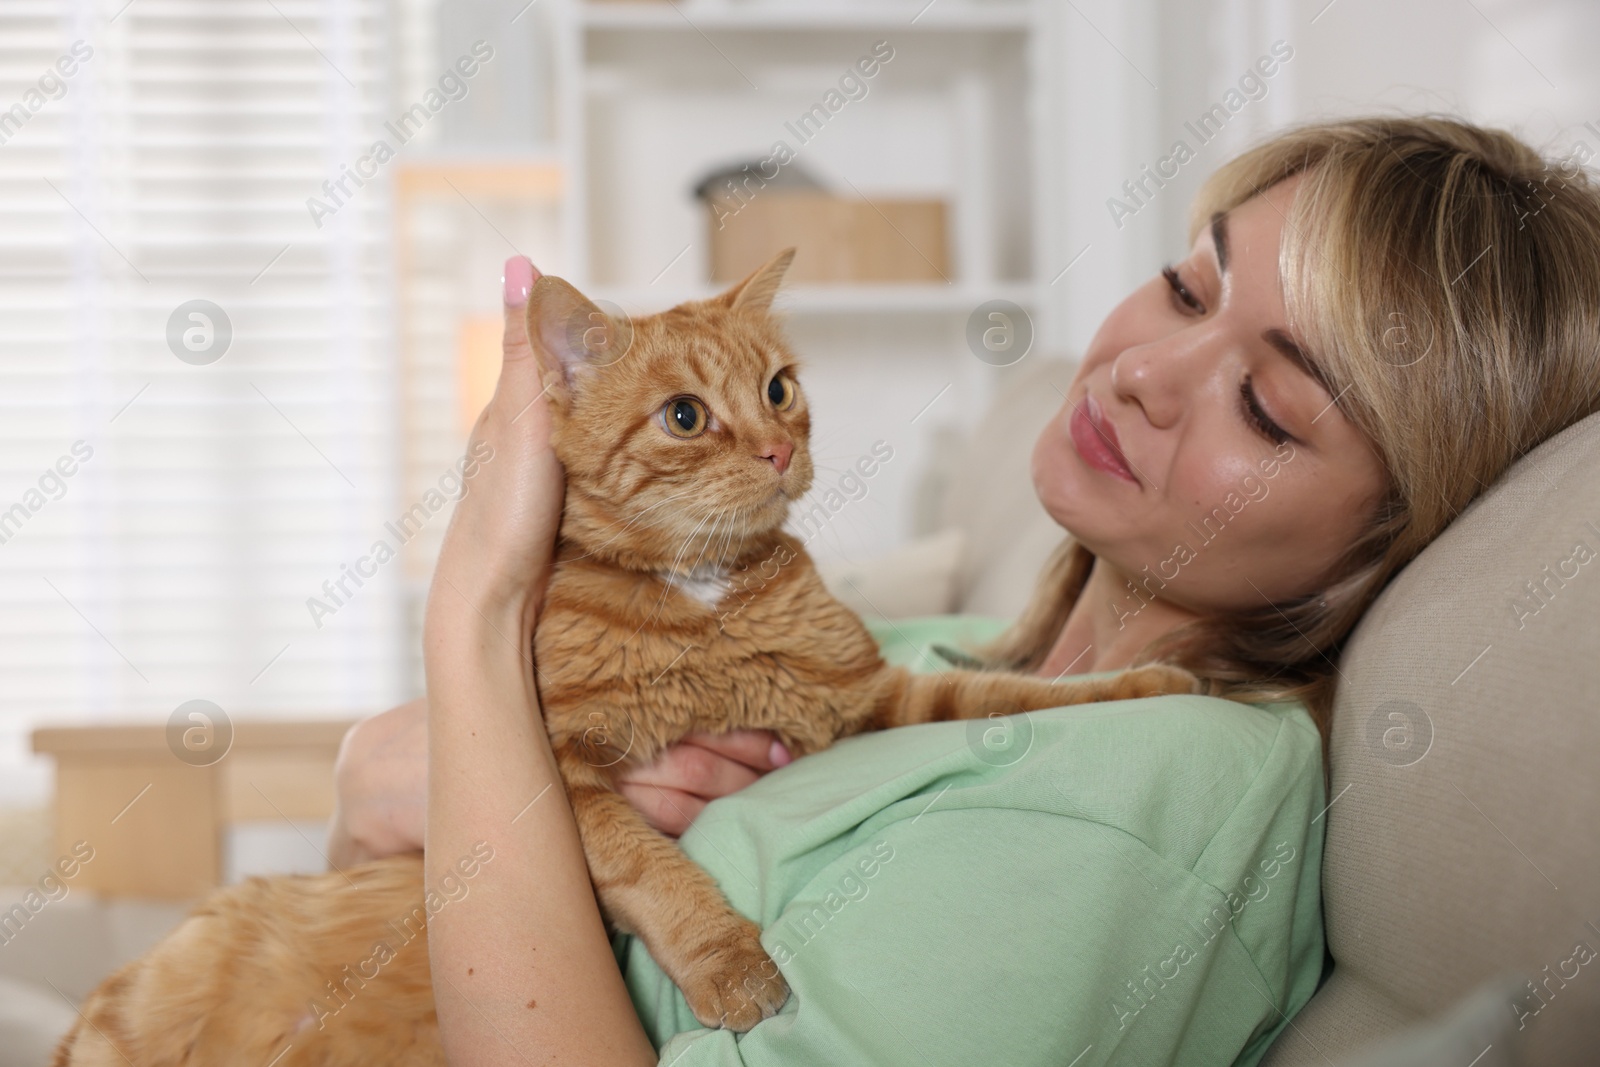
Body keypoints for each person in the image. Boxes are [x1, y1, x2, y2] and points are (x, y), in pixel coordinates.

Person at [329, 117, 1600, 1065]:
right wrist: (380, 797)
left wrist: (474, 621)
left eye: (1267, 402)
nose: (1145, 368)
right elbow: (387, 892)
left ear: (1389, 531)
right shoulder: (927, 651)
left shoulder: (1153, 795)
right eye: (1183, 287)